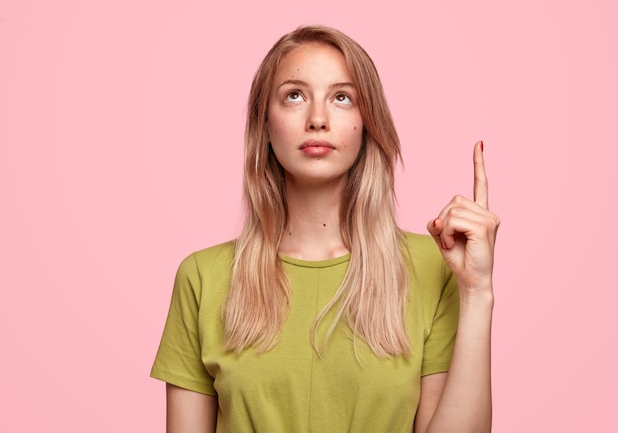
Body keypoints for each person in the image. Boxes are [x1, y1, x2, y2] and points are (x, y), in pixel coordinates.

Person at [151, 25, 500, 432]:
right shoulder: (202, 278)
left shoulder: (433, 268)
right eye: (294, 96)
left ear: (367, 123)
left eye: (341, 97)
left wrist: (477, 293)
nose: (317, 119)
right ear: (264, 124)